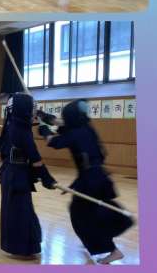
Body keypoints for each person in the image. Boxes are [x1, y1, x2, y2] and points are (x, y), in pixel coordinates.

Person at [38, 99, 133, 264]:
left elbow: (53, 142)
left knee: (81, 215)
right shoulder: (85, 127)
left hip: (90, 179)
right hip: (99, 176)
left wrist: (43, 129)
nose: (63, 119)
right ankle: (99, 239)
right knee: (94, 211)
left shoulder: (74, 133)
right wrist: (43, 116)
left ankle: (111, 249)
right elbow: (60, 123)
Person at [0, 93, 56, 259]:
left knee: (18, 211)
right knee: (20, 213)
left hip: (12, 174)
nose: (33, 111)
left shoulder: (13, 124)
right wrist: (47, 178)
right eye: (32, 108)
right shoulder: (21, 131)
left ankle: (20, 247)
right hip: (16, 177)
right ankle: (22, 248)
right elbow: (35, 158)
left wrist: (42, 116)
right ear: (24, 110)